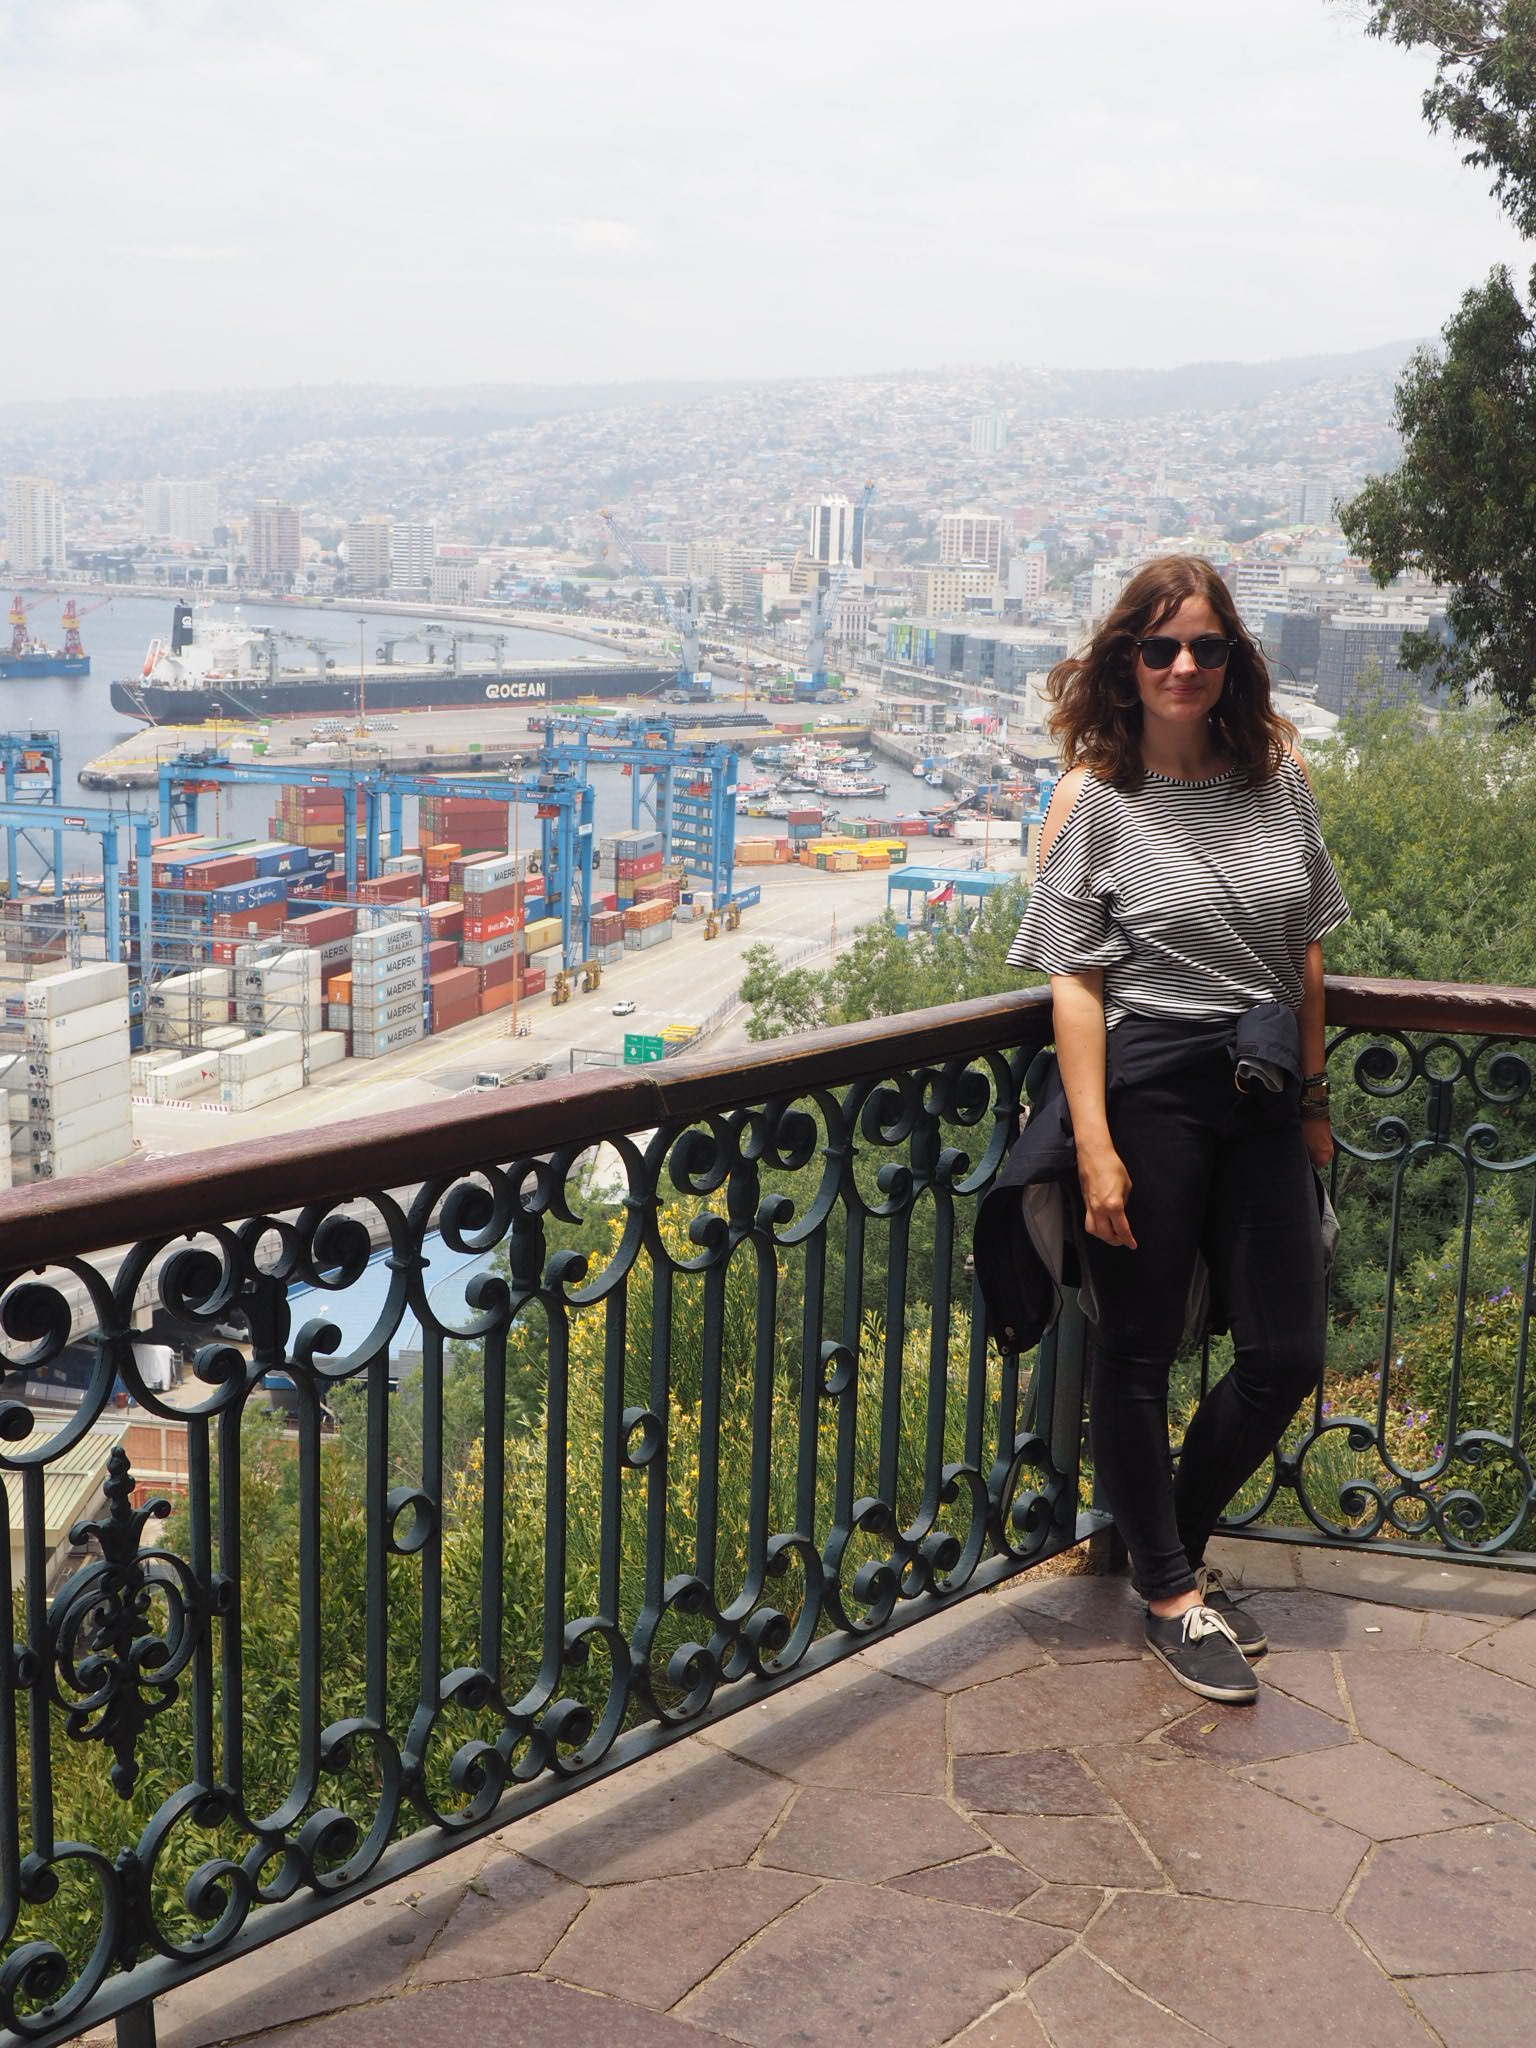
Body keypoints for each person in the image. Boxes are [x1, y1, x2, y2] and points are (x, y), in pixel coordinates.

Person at [1001, 555, 1348, 1704]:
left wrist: (1313, 1101)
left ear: (1234, 660)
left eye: (1205, 646)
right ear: (1126, 663)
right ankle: (1166, 1592)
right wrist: (1092, 1140)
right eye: (1161, 648)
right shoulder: (1094, 795)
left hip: (1256, 1084)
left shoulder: (1276, 780)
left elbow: (1303, 955)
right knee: (1139, 1347)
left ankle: (1169, 1549)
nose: (1184, 666)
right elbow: (1077, 983)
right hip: (1146, 1084)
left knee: (1285, 1349)